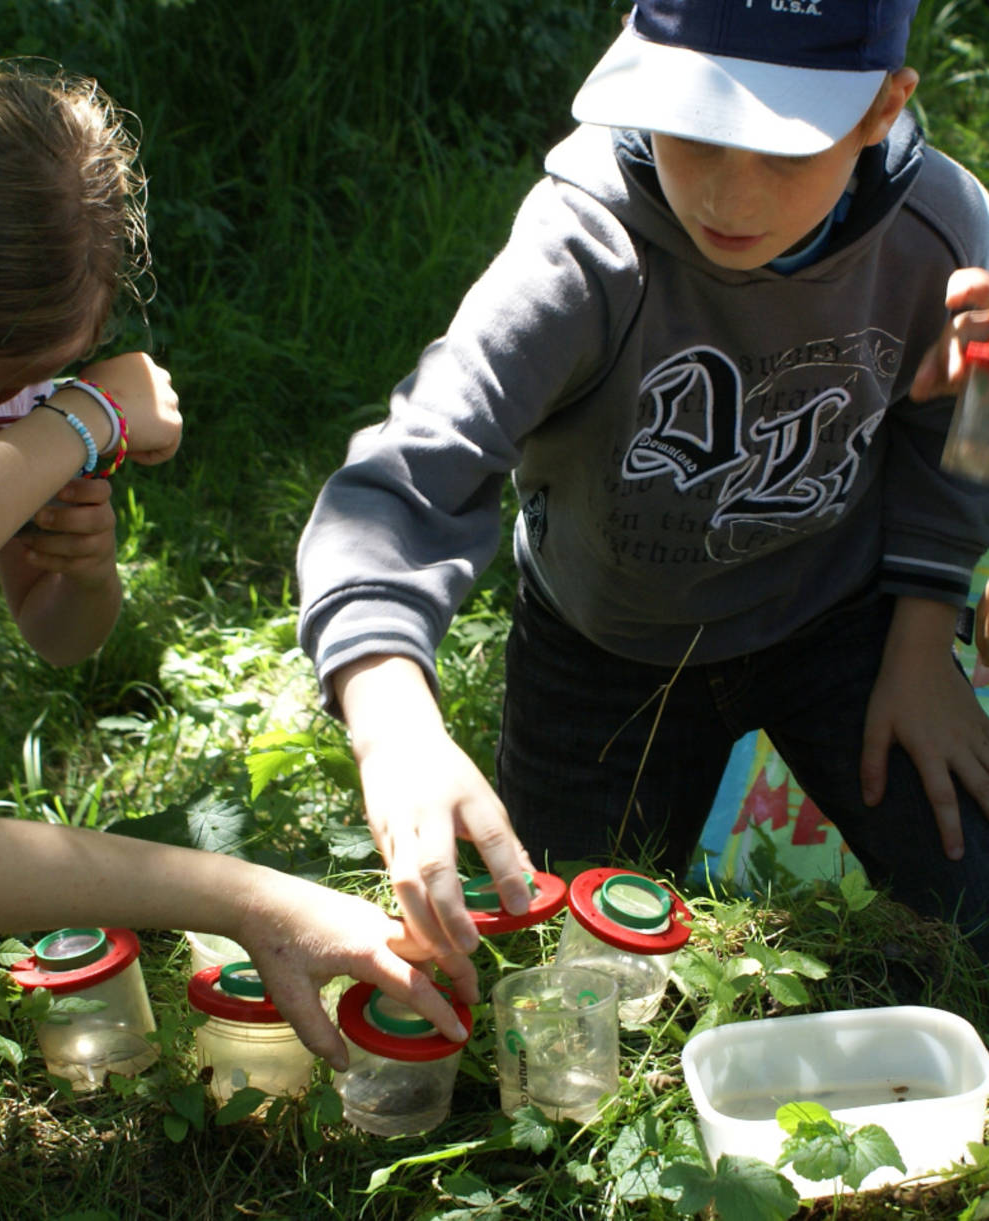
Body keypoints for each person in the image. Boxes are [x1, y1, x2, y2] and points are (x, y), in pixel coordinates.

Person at [296, 0, 989, 963]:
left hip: (841, 625)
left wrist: (922, 634)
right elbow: (404, 473)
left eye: (784, 152)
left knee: (976, 897)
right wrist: (391, 719)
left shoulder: (942, 231)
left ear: (881, 107)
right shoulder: (583, 248)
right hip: (601, 652)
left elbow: (948, 425)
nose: (727, 198)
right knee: (548, 963)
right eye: (694, 133)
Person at [0, 61, 474, 1068]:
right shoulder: (58, 421)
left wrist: (79, 574)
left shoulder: (25, 425)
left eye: (39, 383)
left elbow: (61, 638)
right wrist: (84, 418)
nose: (24, 411)